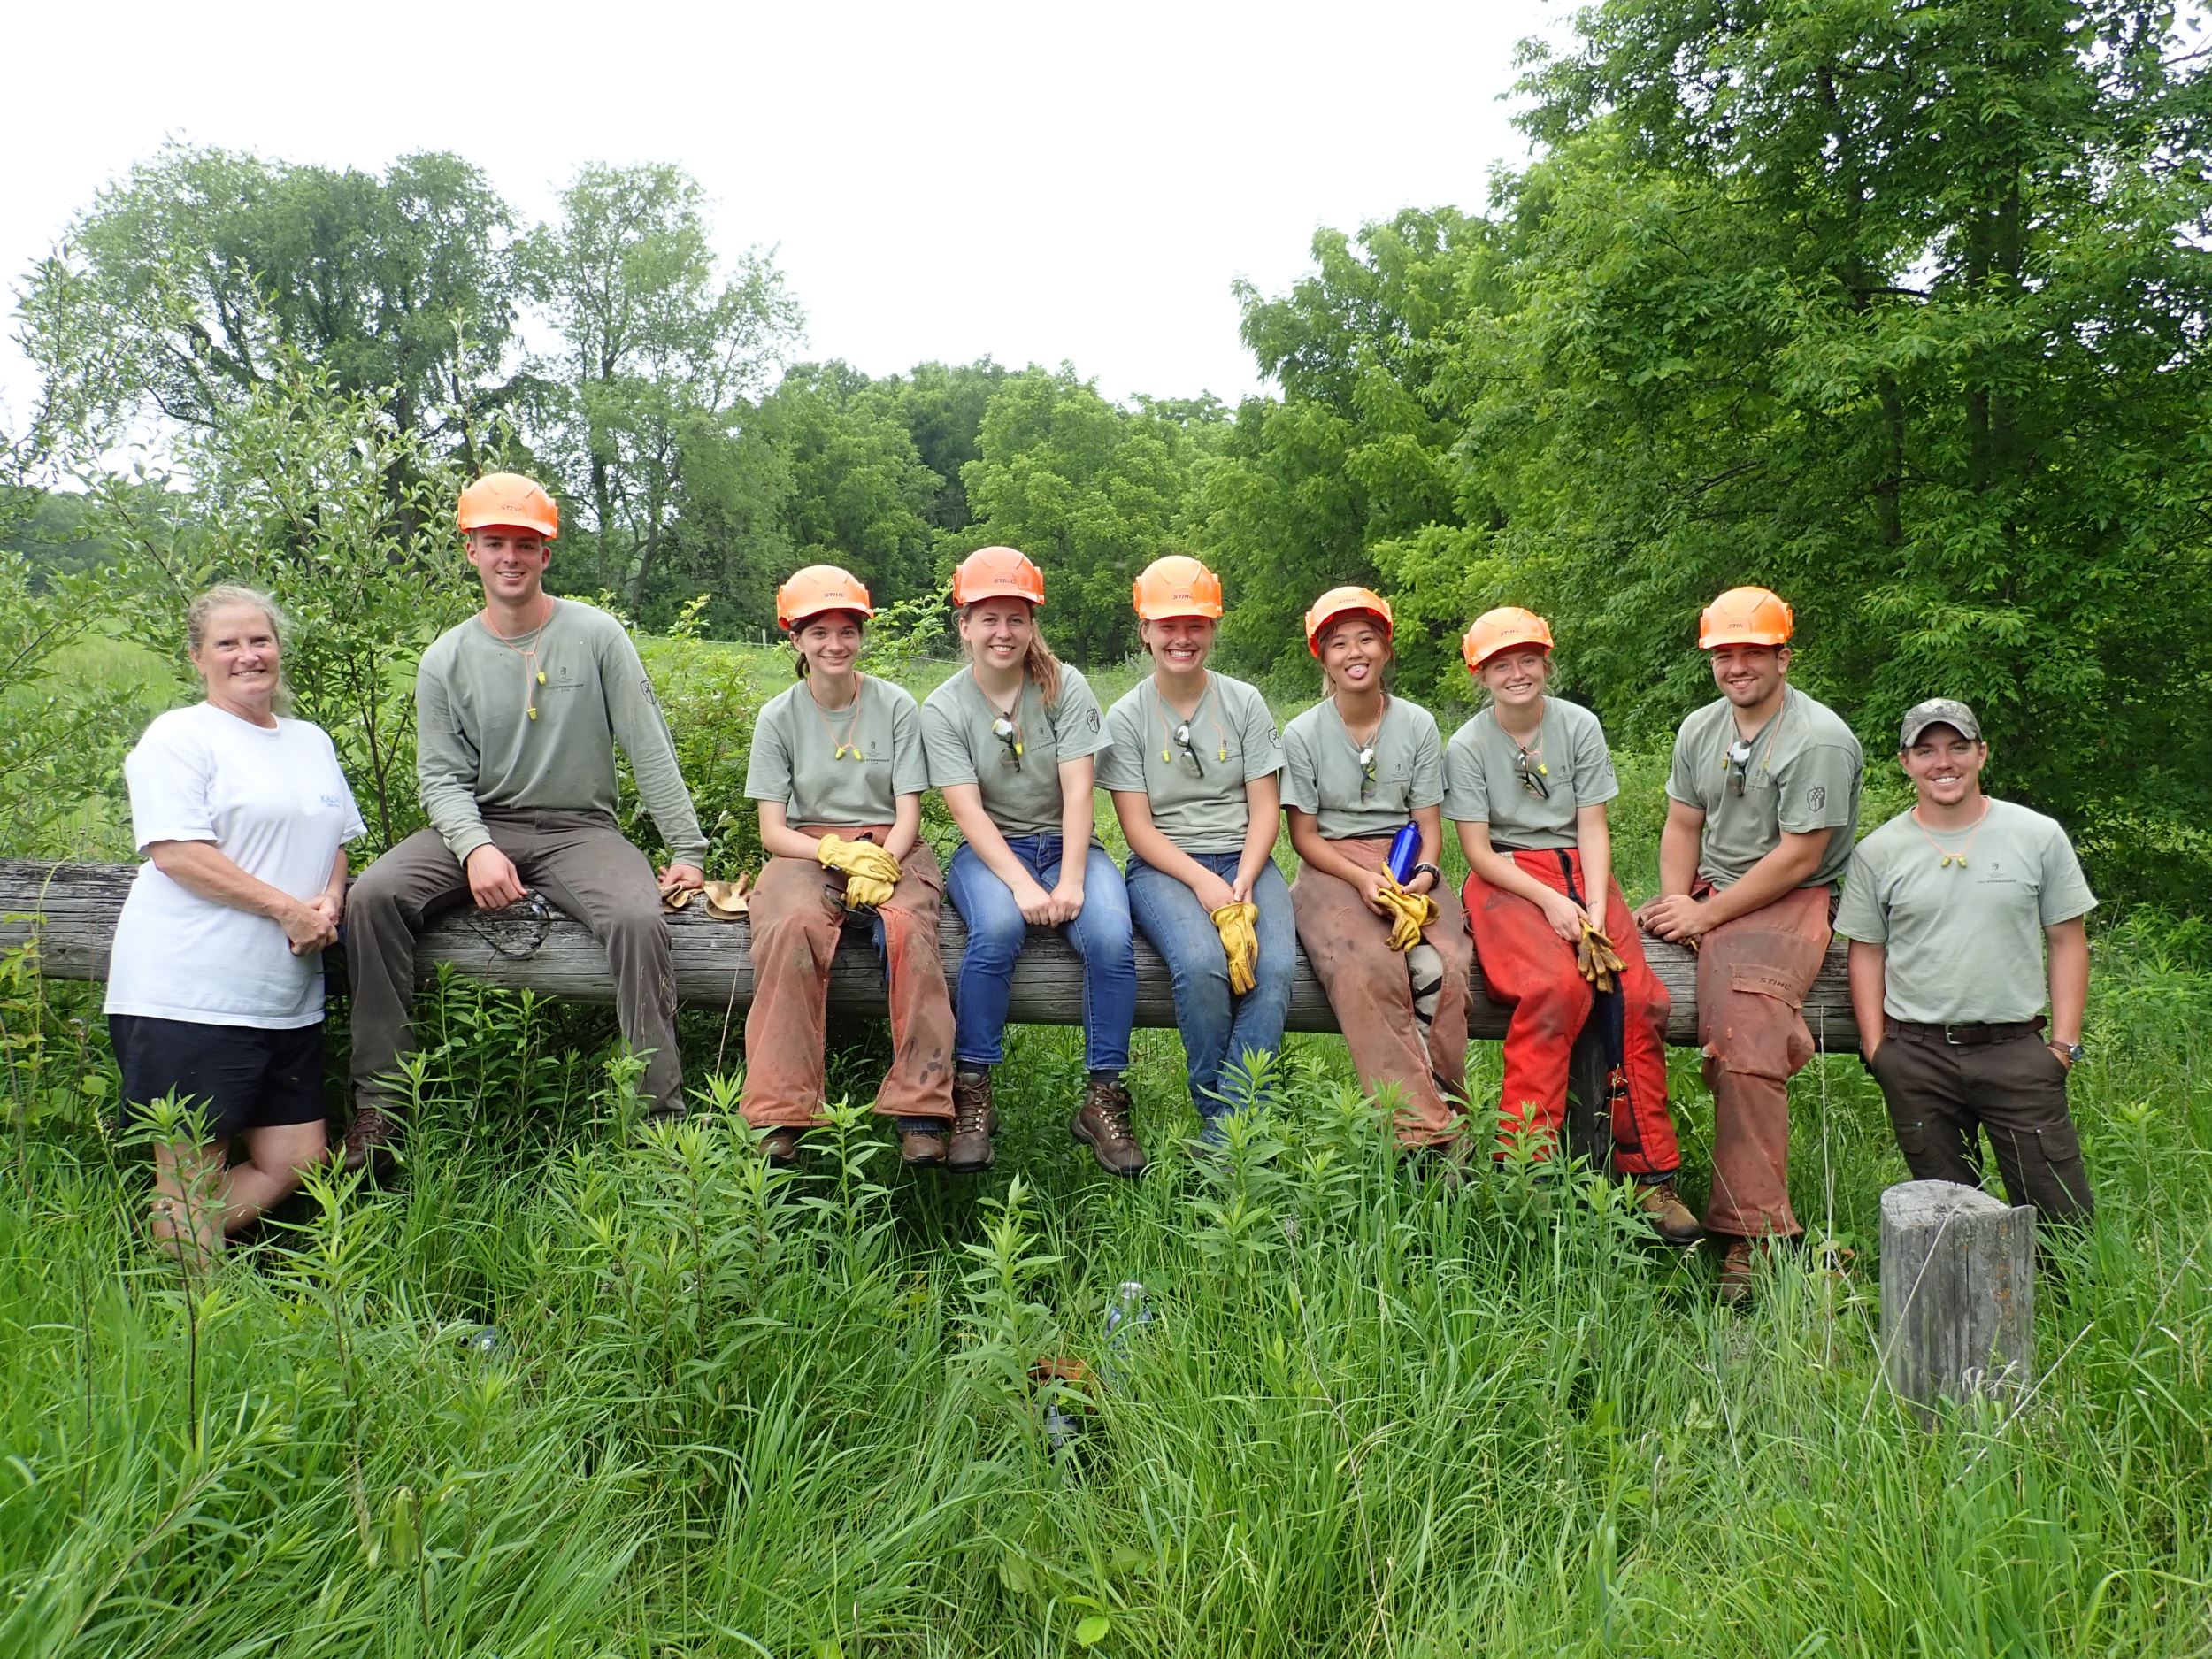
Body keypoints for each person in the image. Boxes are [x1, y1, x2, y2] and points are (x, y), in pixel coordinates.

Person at [343, 474, 706, 1171]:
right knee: (372, 896)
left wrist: (686, 848)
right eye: (495, 542)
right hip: (481, 820)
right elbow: (441, 777)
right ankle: (381, 1107)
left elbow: (647, 744)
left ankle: (657, 1122)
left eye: (525, 544)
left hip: (582, 831)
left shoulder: (596, 634)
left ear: (546, 554)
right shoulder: (445, 658)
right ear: (471, 551)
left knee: (637, 918)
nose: (510, 556)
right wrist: (476, 848)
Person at [106, 586, 365, 1258]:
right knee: (193, 1173)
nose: (248, 655)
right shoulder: (179, 737)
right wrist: (284, 907)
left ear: (278, 648)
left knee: (298, 1158)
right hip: (189, 992)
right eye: (229, 643)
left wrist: (329, 900)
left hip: (284, 997)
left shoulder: (310, 740)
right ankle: (195, 1315)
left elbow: (336, 840)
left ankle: (162, 1241)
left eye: (260, 640)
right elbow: (177, 853)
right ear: (198, 657)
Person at [1634, 586, 1863, 1299]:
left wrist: (1707, 918)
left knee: (1748, 1028)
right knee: (1616, 990)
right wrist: (1680, 902)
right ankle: (1639, 1178)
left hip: (1792, 897)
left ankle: (1754, 1234)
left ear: (1783, 656)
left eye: (1753, 652)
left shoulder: (1816, 737)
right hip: (1711, 887)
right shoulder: (1701, 728)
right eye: (1724, 653)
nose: (1737, 666)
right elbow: (1681, 824)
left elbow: (1799, 855)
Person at [1448, 607, 1699, 1241]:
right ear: (1481, 674)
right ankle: (1525, 1168)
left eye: (1527, 659)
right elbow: (1477, 850)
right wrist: (1551, 904)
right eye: (1500, 664)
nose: (1517, 673)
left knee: (1638, 996)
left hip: (1581, 868)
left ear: (1546, 662)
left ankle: (1647, 1174)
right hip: (1507, 875)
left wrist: (1591, 903)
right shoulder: (1469, 745)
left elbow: (1592, 824)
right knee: (1555, 989)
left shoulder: (1578, 726)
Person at [921, 546, 1146, 1177]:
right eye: (988, 617)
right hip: (991, 850)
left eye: (1017, 618)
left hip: (1066, 841)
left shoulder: (1063, 685)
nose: (1003, 632)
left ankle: (1103, 1096)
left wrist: (1073, 877)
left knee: (1108, 933)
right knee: (994, 929)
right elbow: (966, 809)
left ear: (1032, 624)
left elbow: (1079, 790)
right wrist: (1021, 884)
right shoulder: (943, 707)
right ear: (963, 624)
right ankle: (973, 1090)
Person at [1836, 699, 2095, 1222]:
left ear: (1982, 754)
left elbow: (2067, 939)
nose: (1943, 762)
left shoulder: (2036, 836)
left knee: (2060, 1213)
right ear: (1906, 763)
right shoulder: (1878, 852)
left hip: (2016, 1051)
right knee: (1947, 1217)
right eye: (1926, 750)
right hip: (1916, 1055)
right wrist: (1876, 1048)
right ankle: (1964, 1305)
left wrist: (2063, 1046)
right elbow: (1865, 950)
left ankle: (2066, 1302)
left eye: (1957, 747)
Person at [740, 565, 956, 1165]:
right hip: (806, 849)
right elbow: (771, 829)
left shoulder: (894, 705)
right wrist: (832, 853)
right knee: (790, 928)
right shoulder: (777, 718)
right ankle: (781, 1111)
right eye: (819, 632)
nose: (834, 644)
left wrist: (883, 861)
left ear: (862, 635)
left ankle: (921, 1108)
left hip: (892, 843)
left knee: (910, 930)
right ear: (795, 639)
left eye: (847, 631)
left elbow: (910, 809)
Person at [1100, 555, 1293, 1141]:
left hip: (1246, 857)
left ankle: (1230, 1127)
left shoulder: (1244, 702)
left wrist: (1245, 876)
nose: (1182, 638)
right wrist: (1203, 883)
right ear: (1146, 631)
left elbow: (1265, 808)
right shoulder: (1128, 715)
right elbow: (1138, 829)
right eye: (1168, 626)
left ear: (1212, 629)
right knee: (1203, 965)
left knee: (1278, 966)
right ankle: (1222, 1118)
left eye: (1196, 625)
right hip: (1165, 867)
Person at [1279, 586, 1473, 1160]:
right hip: (1332, 865)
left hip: (1403, 859)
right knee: (1366, 963)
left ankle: (1444, 1096)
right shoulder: (1303, 733)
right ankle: (1425, 1133)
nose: (1354, 652)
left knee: (1445, 963)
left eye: (1367, 638)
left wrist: (1427, 871)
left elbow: (1427, 822)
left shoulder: (1415, 724)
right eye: (1339, 643)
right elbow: (1304, 836)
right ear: (1322, 656)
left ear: (1386, 649)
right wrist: (1360, 879)